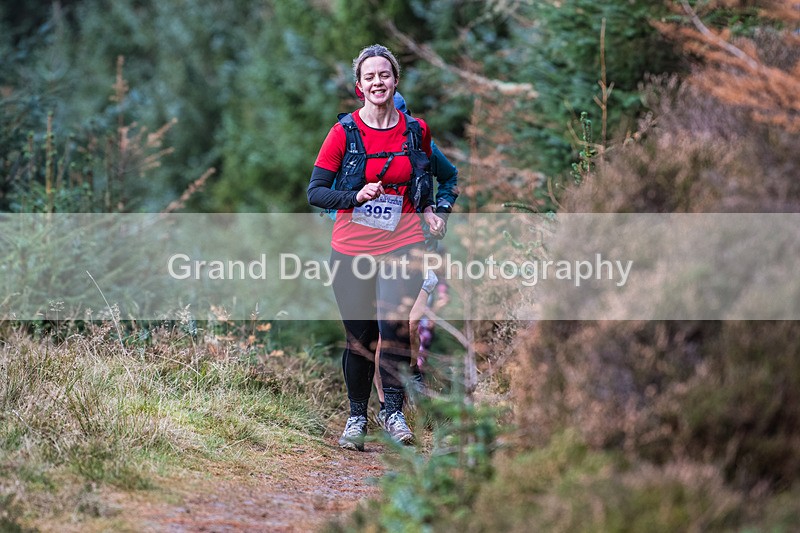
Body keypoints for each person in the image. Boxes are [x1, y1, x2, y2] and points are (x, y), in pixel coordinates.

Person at [307, 44, 446, 451]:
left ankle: (394, 413)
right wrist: (355, 196)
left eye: (384, 75)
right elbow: (316, 192)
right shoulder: (343, 133)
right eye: (369, 77)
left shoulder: (416, 130)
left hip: (403, 241)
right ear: (359, 87)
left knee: (394, 327)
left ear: (395, 80)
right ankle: (356, 417)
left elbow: (423, 183)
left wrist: (430, 211)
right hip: (352, 247)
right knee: (360, 337)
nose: (377, 82)